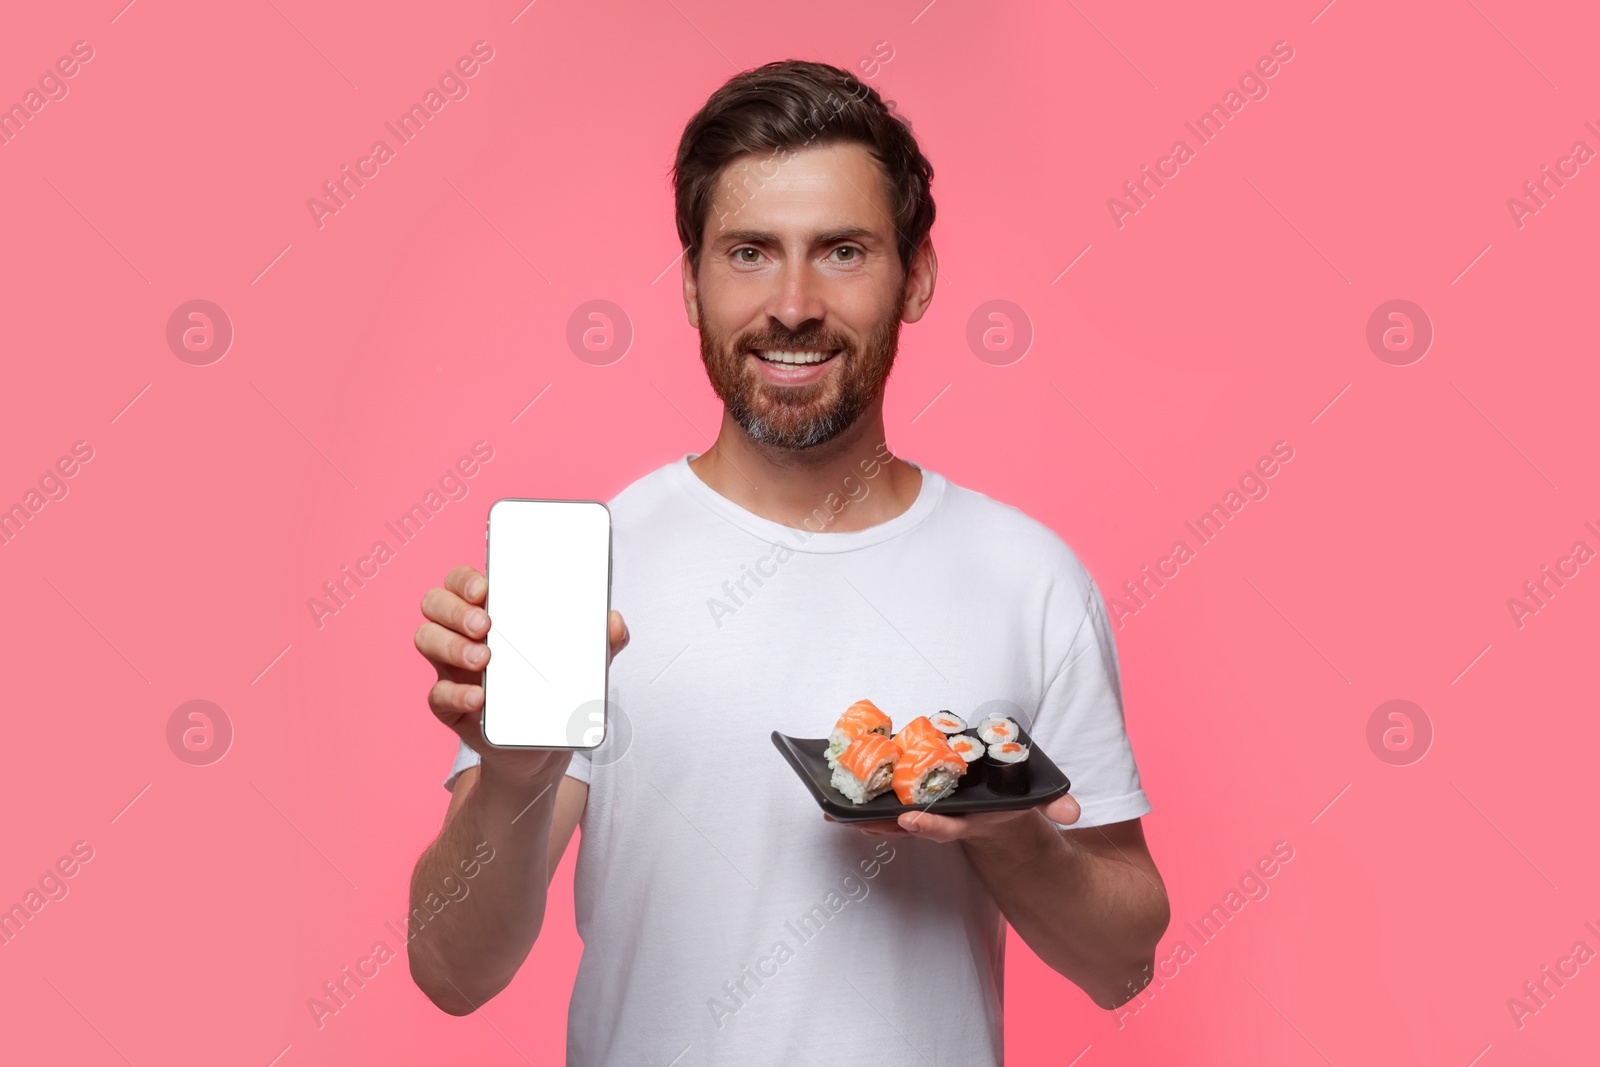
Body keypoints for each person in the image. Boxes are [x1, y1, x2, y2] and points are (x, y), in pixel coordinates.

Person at [407, 59, 1168, 1065]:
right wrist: (507, 779)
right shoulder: (601, 574)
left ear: (917, 273)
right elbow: (453, 974)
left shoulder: (1027, 577)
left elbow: (1121, 965)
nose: (795, 303)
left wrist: (1014, 837)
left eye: (842, 250)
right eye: (750, 253)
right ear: (690, 283)